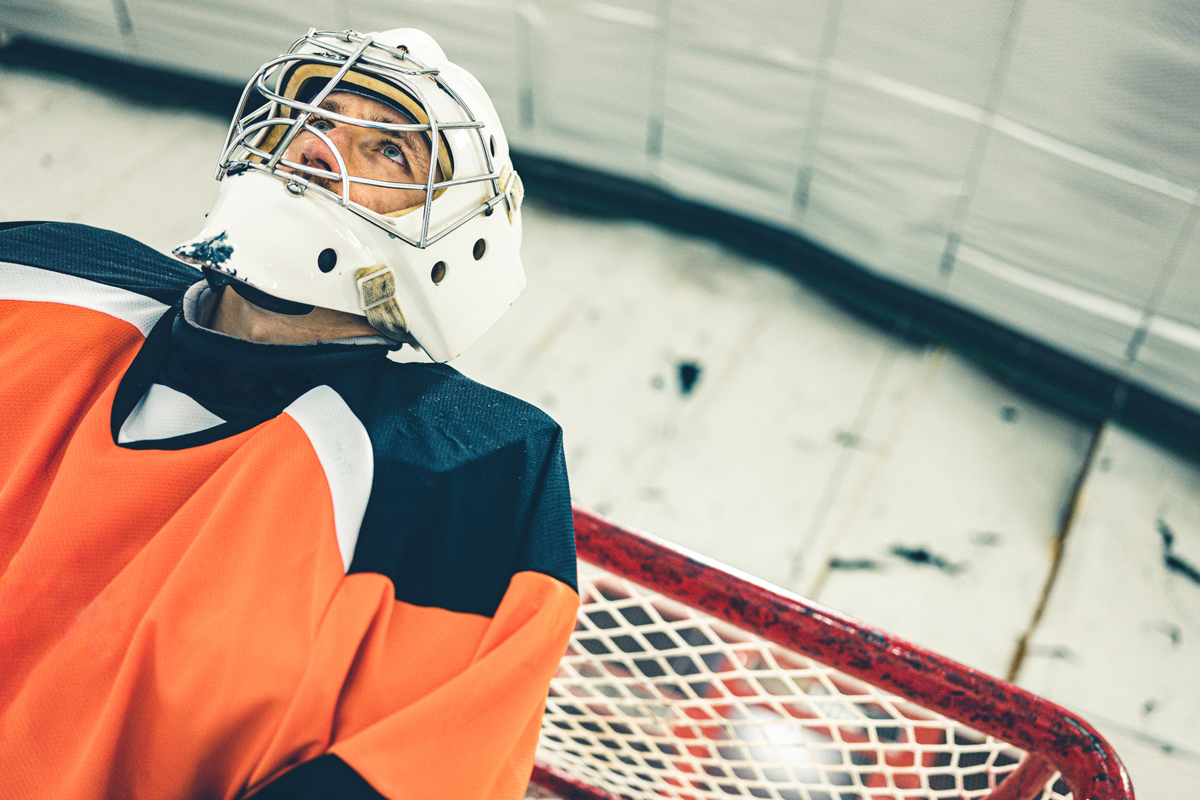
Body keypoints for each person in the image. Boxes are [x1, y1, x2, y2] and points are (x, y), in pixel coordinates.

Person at [0, 27, 579, 800]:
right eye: (316, 118)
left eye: (387, 151)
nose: (317, 145)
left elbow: (416, 770)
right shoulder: (37, 279)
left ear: (456, 247)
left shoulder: (473, 472)